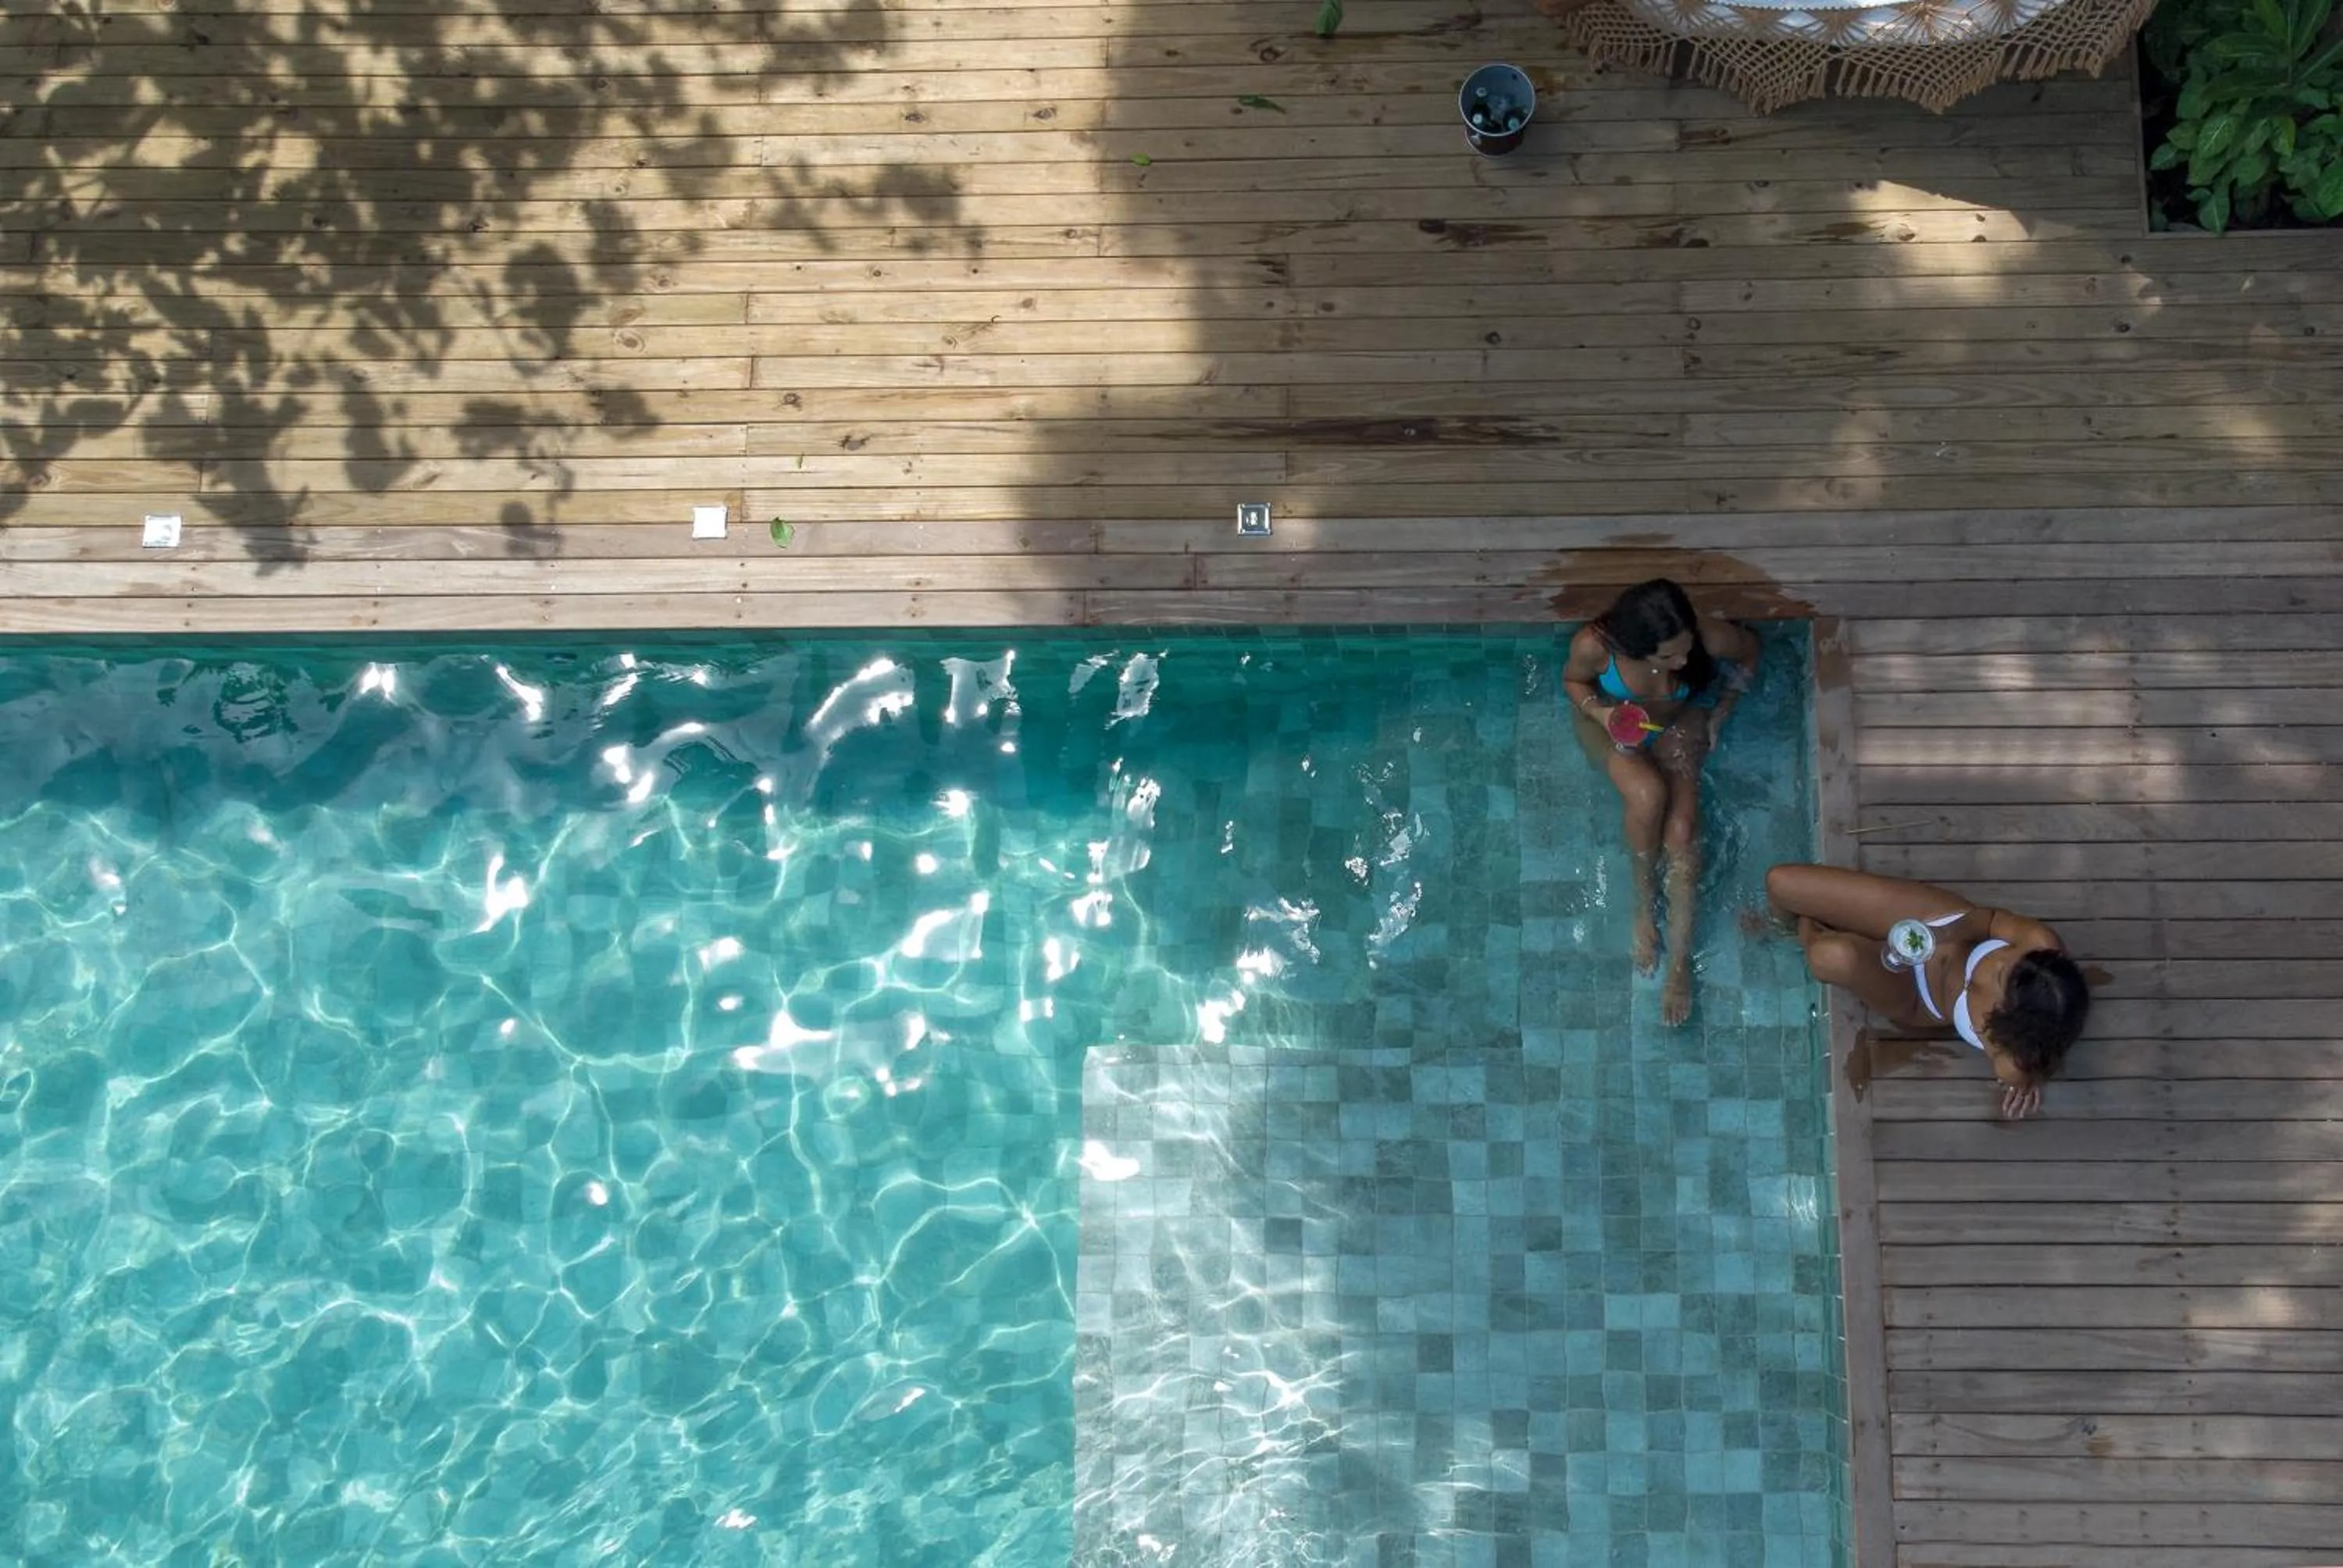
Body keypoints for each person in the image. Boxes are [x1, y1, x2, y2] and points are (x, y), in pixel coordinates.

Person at [1561, 578, 1763, 1027]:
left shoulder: (1707, 638)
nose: (1684, 661)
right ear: (1635, 648)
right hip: (1614, 725)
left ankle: (1680, 963)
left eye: (1686, 649)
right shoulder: (1597, 646)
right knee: (1648, 796)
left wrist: (1721, 711)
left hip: (1676, 727)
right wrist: (1602, 713)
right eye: (1668, 656)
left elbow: (1750, 651)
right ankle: (1642, 906)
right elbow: (1574, 682)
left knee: (1683, 833)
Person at [1763, 863, 2090, 1119]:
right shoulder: (2041, 946)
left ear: (2013, 1019)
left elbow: (2030, 1068)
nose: (2001, 965)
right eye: (2011, 962)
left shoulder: (2010, 1060)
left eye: (2003, 979)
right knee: (1780, 883)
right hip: (1932, 923)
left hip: (1918, 994)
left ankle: (1800, 934)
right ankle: (1784, 924)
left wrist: (2030, 1079)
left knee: (1831, 956)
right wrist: (1948, 930)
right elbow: (1991, 920)